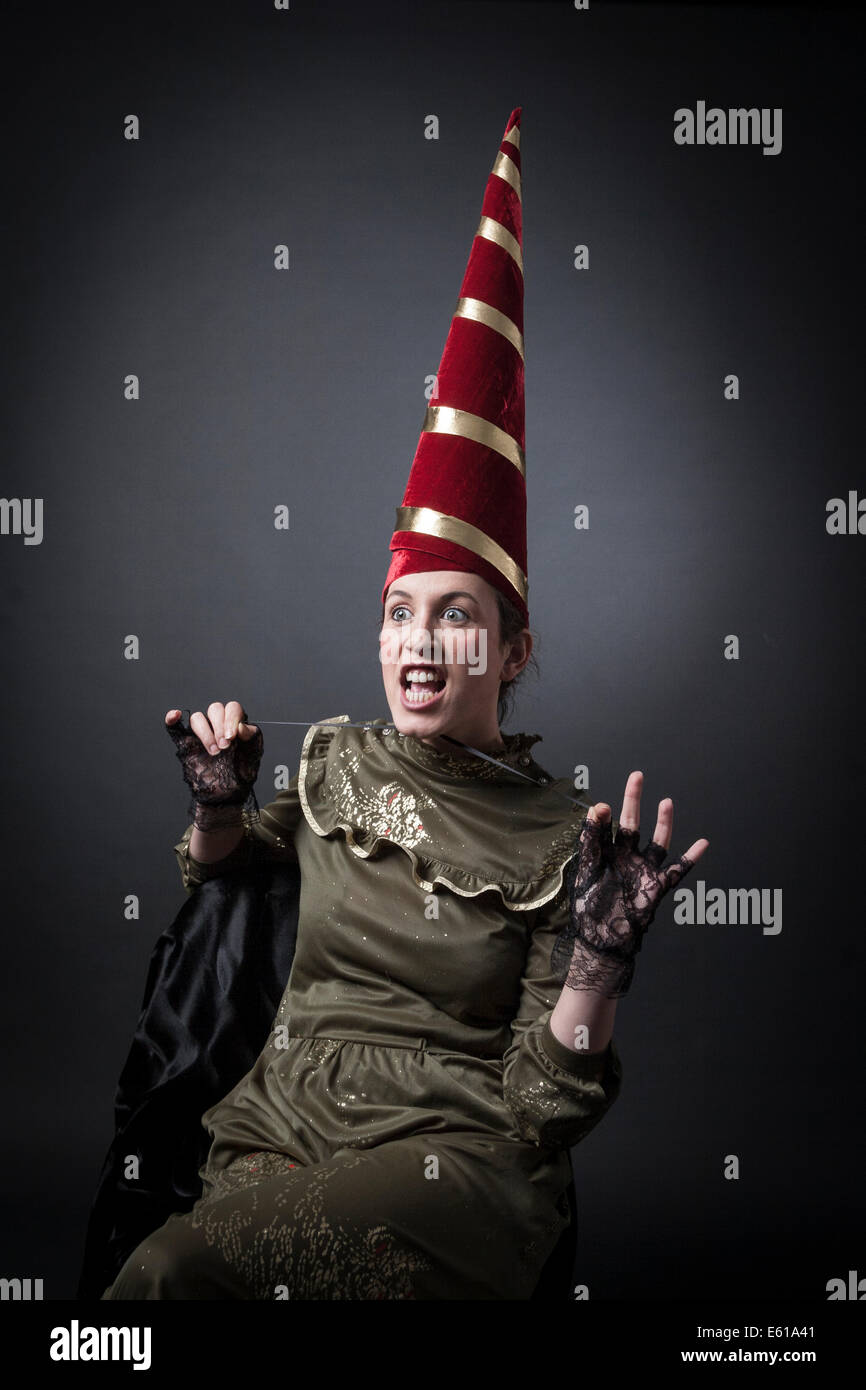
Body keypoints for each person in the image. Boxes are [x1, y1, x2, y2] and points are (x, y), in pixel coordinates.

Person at [100, 107, 707, 1300]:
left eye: (454, 615)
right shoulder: (332, 766)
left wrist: (594, 964)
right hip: (279, 1130)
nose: (416, 643)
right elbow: (222, 899)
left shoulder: (562, 834)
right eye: (397, 612)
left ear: (512, 646)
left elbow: (543, 1102)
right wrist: (221, 809)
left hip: (449, 1162)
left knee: (167, 1279)